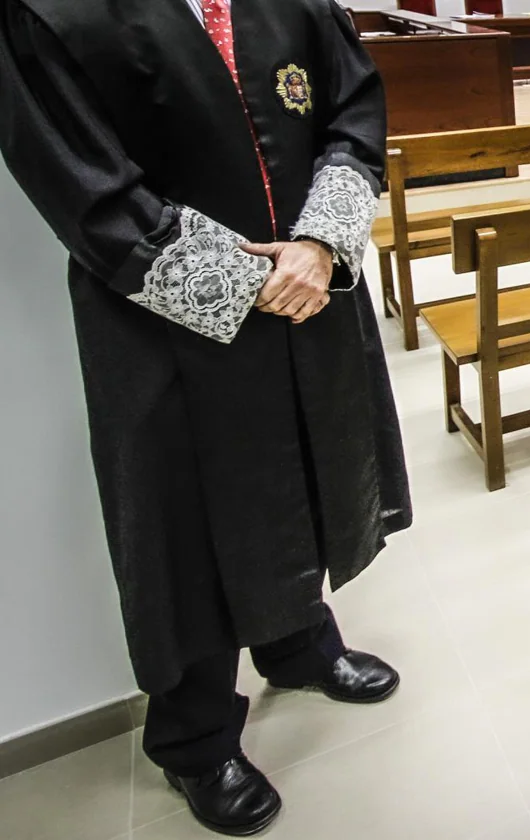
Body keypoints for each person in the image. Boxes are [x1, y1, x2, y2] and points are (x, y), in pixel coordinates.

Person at [0, 0, 411, 835]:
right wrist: (253, 281)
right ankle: (195, 739)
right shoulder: (47, 13)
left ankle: (298, 643)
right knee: (183, 520)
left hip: (310, 290)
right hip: (162, 322)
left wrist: (320, 244)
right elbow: (83, 188)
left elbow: (353, 106)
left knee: (303, 462)